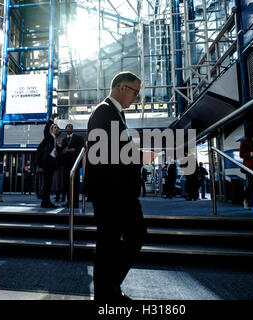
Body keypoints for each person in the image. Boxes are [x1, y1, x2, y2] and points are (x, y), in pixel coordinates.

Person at [86, 71, 146, 301]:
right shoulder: (104, 112)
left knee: (110, 242)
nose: (136, 97)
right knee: (128, 236)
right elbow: (107, 154)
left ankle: (107, 290)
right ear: (122, 87)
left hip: (115, 190)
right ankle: (107, 289)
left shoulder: (113, 113)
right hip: (112, 191)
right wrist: (139, 157)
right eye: (135, 92)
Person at [35, 113, 61, 208]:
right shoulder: (49, 137)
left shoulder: (56, 140)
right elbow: (46, 130)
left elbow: (55, 153)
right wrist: (51, 120)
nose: (57, 129)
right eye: (55, 127)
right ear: (51, 129)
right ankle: (45, 202)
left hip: (52, 164)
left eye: (58, 128)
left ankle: (45, 201)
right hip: (47, 163)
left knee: (49, 183)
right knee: (47, 183)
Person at [61, 124, 85, 208]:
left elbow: (83, 148)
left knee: (75, 183)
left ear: (73, 129)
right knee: (67, 184)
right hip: (66, 164)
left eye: (71, 127)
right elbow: (61, 151)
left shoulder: (78, 138)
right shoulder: (64, 140)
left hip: (75, 165)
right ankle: (69, 202)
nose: (69, 128)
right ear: (65, 129)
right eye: (68, 127)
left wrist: (75, 149)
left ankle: (75, 203)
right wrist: (62, 151)